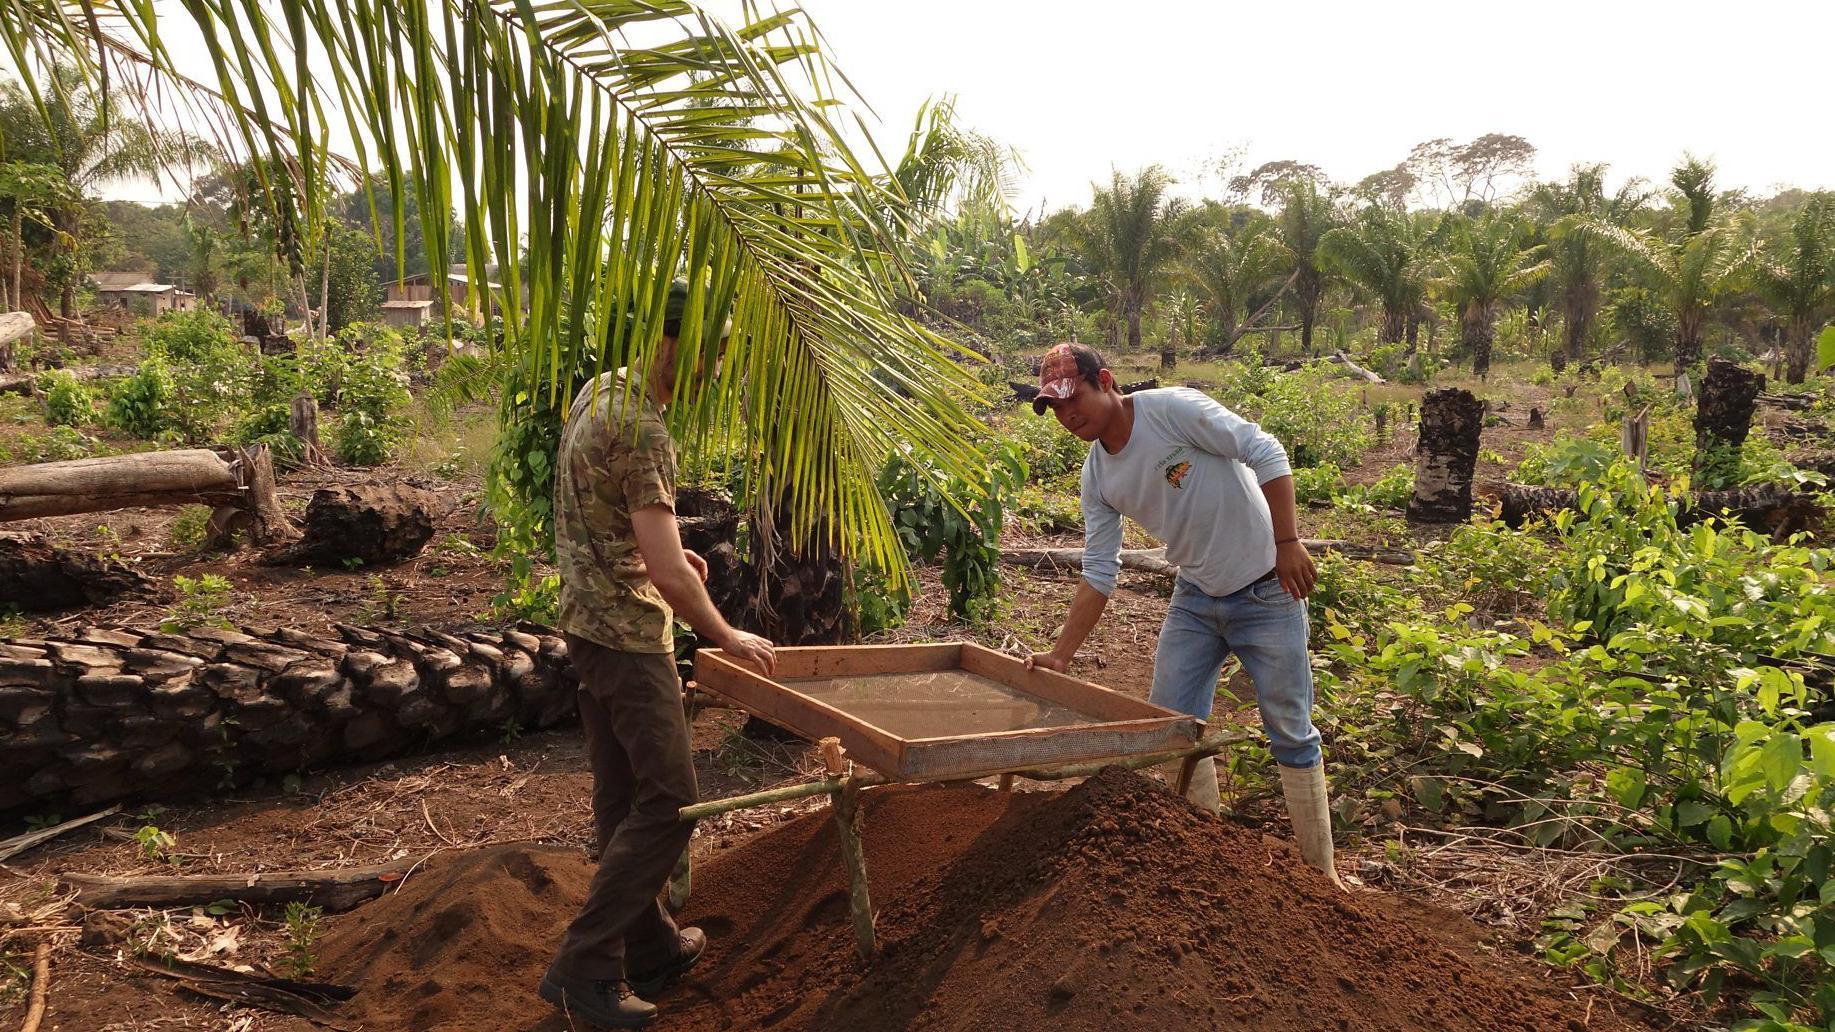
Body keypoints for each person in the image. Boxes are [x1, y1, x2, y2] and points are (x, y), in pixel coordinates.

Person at [540, 282, 778, 1028]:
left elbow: (600, 520)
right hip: (626, 638)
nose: (719, 367)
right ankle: (585, 967)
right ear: (684, 343)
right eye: (717, 350)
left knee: (621, 797)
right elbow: (670, 571)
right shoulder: (643, 428)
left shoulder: (597, 394)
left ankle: (648, 946)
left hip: (585, 621)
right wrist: (724, 633)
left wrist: (660, 563)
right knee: (673, 800)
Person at [1024, 342, 1344, 888]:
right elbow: (1100, 570)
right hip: (1196, 597)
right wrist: (1060, 654)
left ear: (1105, 380)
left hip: (1267, 588)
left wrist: (1287, 540)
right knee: (1173, 724)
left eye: (1072, 398)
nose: (1067, 414)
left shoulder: (1172, 411)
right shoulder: (1098, 478)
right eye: (1054, 407)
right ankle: (1208, 859)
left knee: (1289, 728)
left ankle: (1322, 876)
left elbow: (1265, 450)